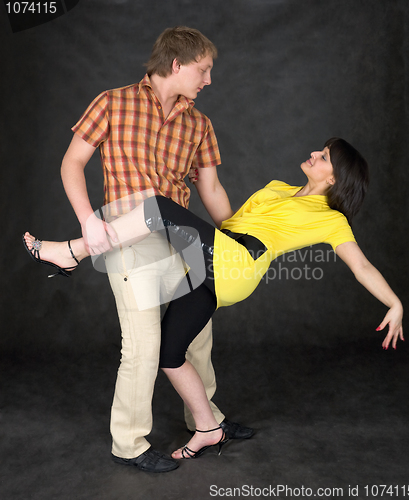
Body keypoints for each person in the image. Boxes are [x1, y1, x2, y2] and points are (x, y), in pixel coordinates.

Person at [23, 137, 404, 459]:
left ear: (334, 178)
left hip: (238, 265)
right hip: (218, 257)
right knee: (170, 354)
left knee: (158, 208)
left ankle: (71, 251)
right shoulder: (277, 187)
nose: (315, 155)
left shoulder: (331, 219)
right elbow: (232, 223)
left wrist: (395, 303)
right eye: (320, 150)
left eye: (324, 158)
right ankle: (208, 428)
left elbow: (362, 267)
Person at [32, 26, 253, 474]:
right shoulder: (111, 102)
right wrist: (88, 220)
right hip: (129, 238)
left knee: (197, 340)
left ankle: (207, 422)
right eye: (204, 70)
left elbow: (211, 189)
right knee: (144, 347)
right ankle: (128, 443)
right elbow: (72, 162)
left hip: (185, 240)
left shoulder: (199, 123)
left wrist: (237, 239)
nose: (208, 80)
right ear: (177, 64)